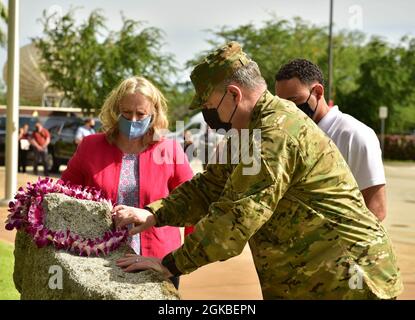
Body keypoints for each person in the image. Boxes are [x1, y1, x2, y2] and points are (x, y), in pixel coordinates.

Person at [113, 42, 403, 299]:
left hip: (347, 282)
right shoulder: (248, 132)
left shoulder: (274, 133)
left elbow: (236, 217)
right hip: (309, 280)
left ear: (233, 95)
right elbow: (210, 187)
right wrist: (154, 213)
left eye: (210, 105)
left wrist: (169, 264)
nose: (210, 115)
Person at [61, 76, 194, 289]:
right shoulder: (90, 146)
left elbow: (192, 202)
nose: (133, 120)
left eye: (140, 114)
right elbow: (63, 195)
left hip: (158, 262)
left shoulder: (170, 150)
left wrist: (188, 257)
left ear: (153, 114)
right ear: (115, 110)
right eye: (126, 112)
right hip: (99, 259)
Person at [275, 59, 387, 221]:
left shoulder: (354, 135)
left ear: (318, 92)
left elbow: (376, 209)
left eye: (294, 101)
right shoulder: (288, 134)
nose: (288, 110)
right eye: (282, 104)